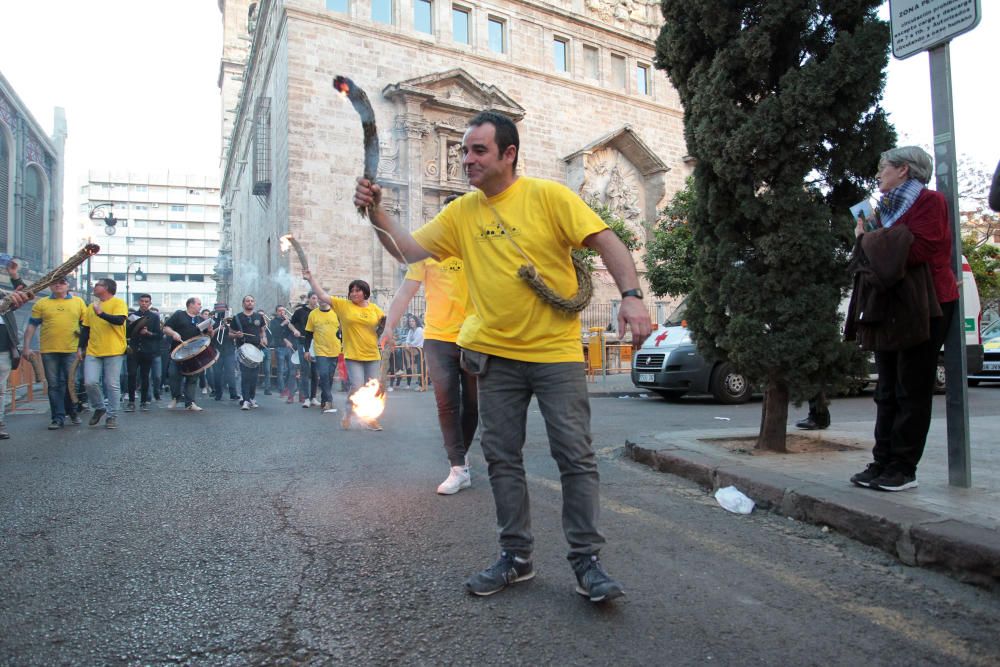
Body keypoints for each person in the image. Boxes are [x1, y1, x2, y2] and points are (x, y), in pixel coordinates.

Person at [354, 110, 651, 602]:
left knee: (575, 458)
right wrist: (380, 213)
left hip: (555, 356)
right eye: (464, 150)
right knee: (501, 459)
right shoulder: (462, 213)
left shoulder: (548, 197)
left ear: (508, 154)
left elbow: (605, 240)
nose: (466, 159)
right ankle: (516, 558)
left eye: (478, 150)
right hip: (495, 358)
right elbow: (409, 252)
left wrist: (632, 294)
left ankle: (587, 563)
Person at [846, 146, 958, 492]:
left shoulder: (930, 202)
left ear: (904, 170)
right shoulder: (886, 210)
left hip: (926, 303)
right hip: (890, 304)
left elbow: (920, 248)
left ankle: (903, 468)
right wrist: (870, 238)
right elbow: (881, 253)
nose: (879, 174)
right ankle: (882, 461)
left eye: (884, 167)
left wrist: (868, 239)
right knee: (886, 388)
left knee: (912, 387)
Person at [380, 233, 479, 495]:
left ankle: (462, 458)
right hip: (437, 337)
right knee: (447, 402)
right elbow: (405, 292)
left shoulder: (476, 245)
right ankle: (457, 467)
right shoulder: (425, 253)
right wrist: (389, 325)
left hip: (475, 336)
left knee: (472, 404)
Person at [303, 274, 385, 430]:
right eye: (352, 291)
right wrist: (310, 279)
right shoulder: (343, 305)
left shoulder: (374, 308)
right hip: (353, 355)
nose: (353, 293)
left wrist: (384, 333)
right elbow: (322, 295)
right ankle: (348, 414)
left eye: (357, 291)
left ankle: (371, 419)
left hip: (373, 354)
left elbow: (384, 324)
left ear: (365, 293)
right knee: (357, 386)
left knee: (373, 388)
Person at [22, 277, 87, 429]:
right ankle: (57, 418)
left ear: (68, 286)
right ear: (50, 286)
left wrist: (83, 347)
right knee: (53, 385)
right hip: (48, 350)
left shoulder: (78, 302)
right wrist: (26, 347)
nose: (58, 285)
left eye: (62, 282)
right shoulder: (42, 303)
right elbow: (32, 326)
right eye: (54, 282)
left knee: (72, 383)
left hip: (71, 350)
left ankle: (72, 411)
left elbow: (86, 326)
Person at [79, 278, 128, 429]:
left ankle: (112, 416)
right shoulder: (91, 306)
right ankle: (100, 407)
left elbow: (120, 320)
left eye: (98, 285)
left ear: (106, 288)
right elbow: (86, 329)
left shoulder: (118, 303)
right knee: (90, 382)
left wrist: (101, 313)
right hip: (93, 350)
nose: (94, 287)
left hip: (114, 350)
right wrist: (80, 348)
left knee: (112, 384)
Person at [162, 297, 213, 411]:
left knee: (193, 378)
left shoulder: (201, 319)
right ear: (191, 305)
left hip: (195, 354)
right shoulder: (179, 315)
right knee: (173, 375)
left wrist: (210, 331)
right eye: (199, 304)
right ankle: (176, 397)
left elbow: (207, 337)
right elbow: (166, 328)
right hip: (177, 351)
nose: (201, 306)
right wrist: (173, 333)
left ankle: (190, 403)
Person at [0, 266, 31, 439]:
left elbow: (25, 293)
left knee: (1, 390)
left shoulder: (4, 296)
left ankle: (0, 423)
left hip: (4, 349)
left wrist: (14, 275)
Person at [123, 293, 162, 412]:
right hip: (134, 350)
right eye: (142, 301)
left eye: (146, 301)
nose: (144, 303)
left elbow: (159, 335)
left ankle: (144, 402)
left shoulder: (154, 317)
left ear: (150, 303)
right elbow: (126, 333)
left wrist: (148, 333)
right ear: (138, 302)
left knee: (145, 376)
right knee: (132, 375)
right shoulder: (132, 315)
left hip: (147, 350)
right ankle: (131, 401)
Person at [304, 296, 342, 413]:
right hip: (320, 350)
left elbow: (343, 331)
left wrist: (343, 344)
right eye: (318, 299)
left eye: (323, 298)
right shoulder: (313, 314)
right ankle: (329, 400)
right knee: (324, 374)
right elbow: (308, 334)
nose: (321, 300)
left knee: (329, 376)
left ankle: (324, 400)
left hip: (335, 349)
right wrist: (306, 350)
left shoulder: (337, 313)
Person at [232, 295, 268, 410]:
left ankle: (251, 398)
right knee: (245, 376)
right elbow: (230, 333)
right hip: (243, 350)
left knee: (254, 377)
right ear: (243, 303)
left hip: (257, 350)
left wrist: (264, 339)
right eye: (247, 301)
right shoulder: (237, 317)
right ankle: (246, 400)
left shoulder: (259, 317)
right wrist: (236, 335)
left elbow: (262, 331)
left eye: (252, 301)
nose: (250, 303)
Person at [291, 293, 319, 407]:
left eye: (317, 298)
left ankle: (313, 397)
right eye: (313, 298)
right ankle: (306, 398)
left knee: (315, 372)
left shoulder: (319, 312)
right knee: (304, 371)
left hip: (316, 343)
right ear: (308, 299)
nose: (315, 300)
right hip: (302, 342)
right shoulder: (300, 311)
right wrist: (295, 331)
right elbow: (290, 324)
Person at [270, 305, 299, 401]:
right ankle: (282, 390)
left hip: (289, 347)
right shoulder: (274, 321)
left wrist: (289, 324)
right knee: (281, 370)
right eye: (280, 311)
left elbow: (292, 333)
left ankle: (289, 388)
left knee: (291, 369)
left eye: (283, 310)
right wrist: (283, 324)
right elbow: (275, 333)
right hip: (280, 347)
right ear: (277, 312)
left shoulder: (288, 321)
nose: (282, 312)